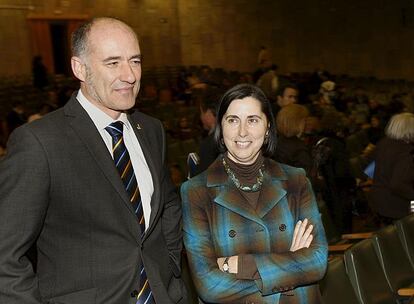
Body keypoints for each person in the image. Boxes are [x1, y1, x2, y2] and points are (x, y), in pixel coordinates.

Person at [0, 17, 186, 304]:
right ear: (80, 68)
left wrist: (169, 266)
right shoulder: (38, 142)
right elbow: (5, 255)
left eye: (135, 61)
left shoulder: (151, 129)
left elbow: (169, 204)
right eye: (113, 63)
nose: (130, 75)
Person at [181, 84, 328, 303]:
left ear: (268, 127)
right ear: (221, 128)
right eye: (232, 120)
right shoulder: (196, 192)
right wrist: (293, 262)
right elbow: (210, 286)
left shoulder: (296, 180)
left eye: (253, 120)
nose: (242, 131)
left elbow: (317, 262)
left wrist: (241, 265)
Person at [369, 112, 414, 226]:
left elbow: (369, 171)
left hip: (378, 202)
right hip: (397, 207)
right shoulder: (406, 151)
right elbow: (397, 185)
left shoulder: (382, 143)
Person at [273, 104, 313, 176]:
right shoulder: (299, 148)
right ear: (297, 122)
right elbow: (305, 176)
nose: (307, 123)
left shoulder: (276, 141)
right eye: (305, 120)